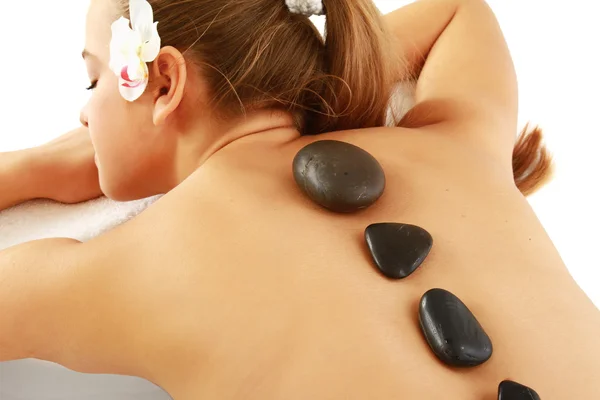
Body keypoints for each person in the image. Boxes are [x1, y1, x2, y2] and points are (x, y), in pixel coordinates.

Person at [0, 0, 598, 398]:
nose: (82, 113)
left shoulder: (130, 269)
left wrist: (34, 167)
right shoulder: (452, 147)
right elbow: (459, 12)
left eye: (94, 80)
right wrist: (319, 78)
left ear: (165, 82)